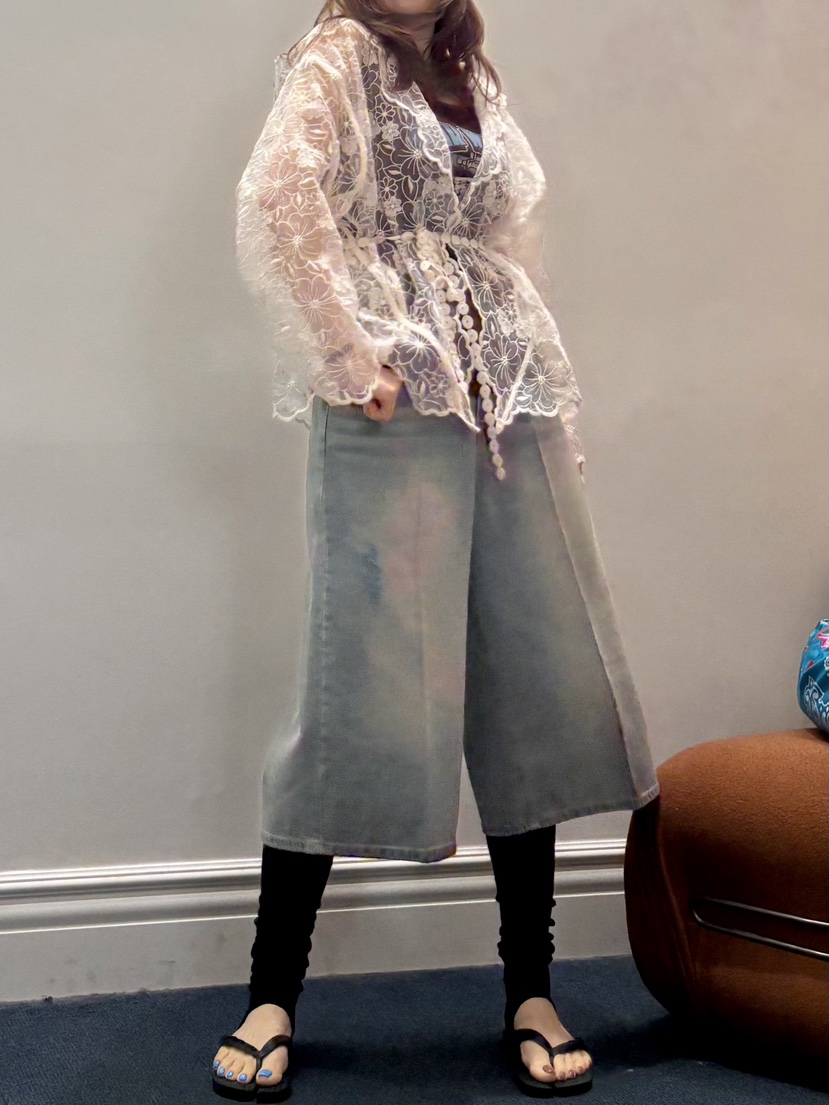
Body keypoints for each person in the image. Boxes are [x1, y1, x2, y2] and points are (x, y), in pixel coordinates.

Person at [213, 0, 661, 1097]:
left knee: (531, 672)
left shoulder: (471, 73)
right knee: (360, 680)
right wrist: (348, 352)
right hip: (398, 400)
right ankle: (271, 994)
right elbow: (277, 197)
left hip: (508, 396)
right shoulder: (339, 56)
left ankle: (530, 989)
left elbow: (509, 239)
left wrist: (546, 392)